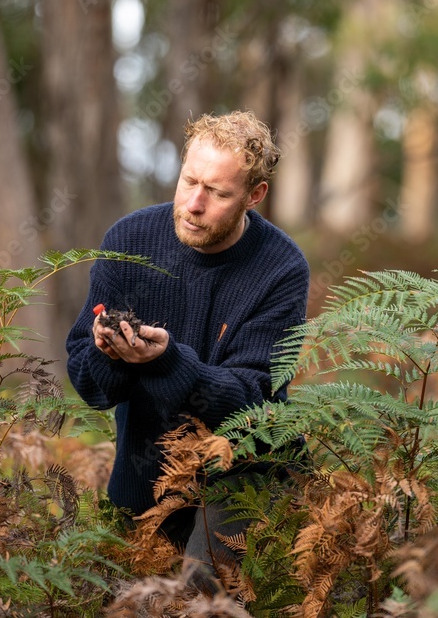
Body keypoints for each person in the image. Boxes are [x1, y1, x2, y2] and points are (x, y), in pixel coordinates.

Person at [65, 109, 309, 590]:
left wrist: (168, 362)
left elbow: (255, 401)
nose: (194, 204)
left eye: (217, 193)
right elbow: (90, 389)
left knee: (202, 589)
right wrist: (109, 353)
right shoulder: (129, 240)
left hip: (242, 468)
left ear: (254, 196)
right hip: (145, 474)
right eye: (189, 182)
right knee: (114, 595)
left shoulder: (281, 269)